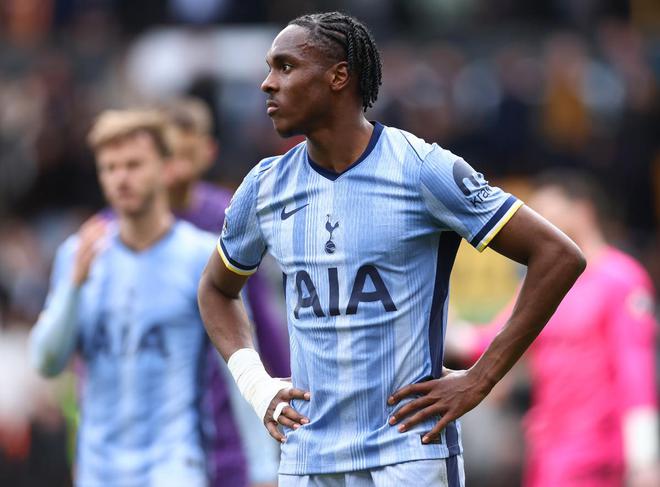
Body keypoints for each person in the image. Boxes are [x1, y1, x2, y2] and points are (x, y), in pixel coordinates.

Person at [197, 11, 585, 487]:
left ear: (339, 76)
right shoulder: (264, 186)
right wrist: (256, 385)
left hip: (408, 453)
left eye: (286, 66)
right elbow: (216, 289)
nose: (267, 83)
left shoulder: (422, 168)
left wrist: (481, 378)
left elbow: (558, 256)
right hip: (307, 456)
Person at [29, 110, 217, 486]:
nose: (121, 178)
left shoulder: (201, 256)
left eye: (133, 165)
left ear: (165, 168)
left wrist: (261, 467)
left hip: (174, 465)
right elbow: (46, 362)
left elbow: (238, 361)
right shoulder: (78, 254)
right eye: (110, 168)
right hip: (98, 469)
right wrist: (73, 286)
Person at [451, 171, 659, 487]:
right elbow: (489, 341)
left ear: (582, 210)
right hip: (548, 454)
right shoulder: (546, 285)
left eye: (548, 211)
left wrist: (644, 460)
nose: (540, 222)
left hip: (599, 458)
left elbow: (636, 372)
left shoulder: (620, 279)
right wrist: (437, 323)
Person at [163, 97, 287, 487]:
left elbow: (259, 316)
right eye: (170, 155)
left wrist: (284, 382)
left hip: (226, 404)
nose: (179, 168)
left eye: (187, 155)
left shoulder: (227, 217)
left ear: (208, 152)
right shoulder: (124, 230)